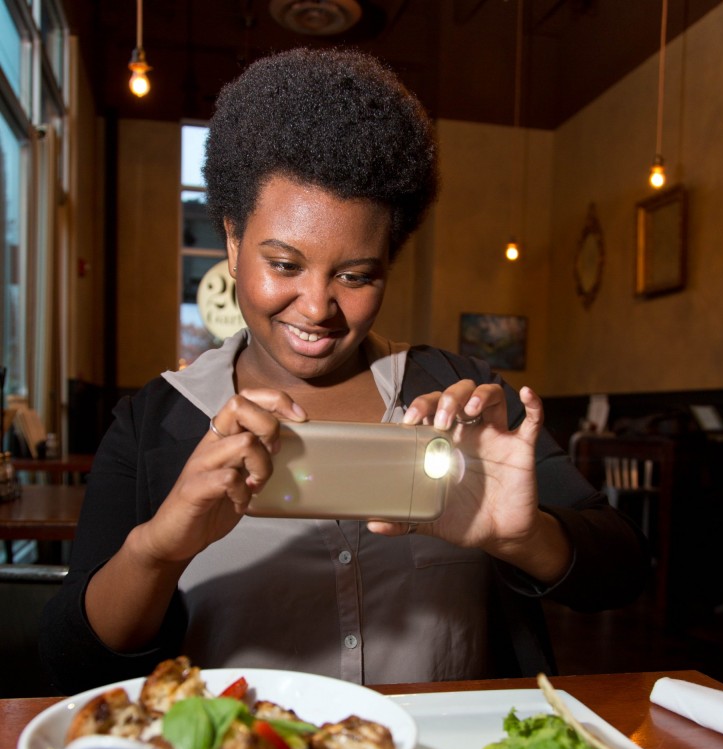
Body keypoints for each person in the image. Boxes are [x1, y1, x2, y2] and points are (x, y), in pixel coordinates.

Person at [40, 47, 649, 693]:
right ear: (230, 238)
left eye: (356, 275)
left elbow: (621, 573)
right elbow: (70, 660)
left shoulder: (463, 401)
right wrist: (158, 549)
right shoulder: (154, 422)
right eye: (283, 264)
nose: (316, 307)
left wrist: (525, 536)